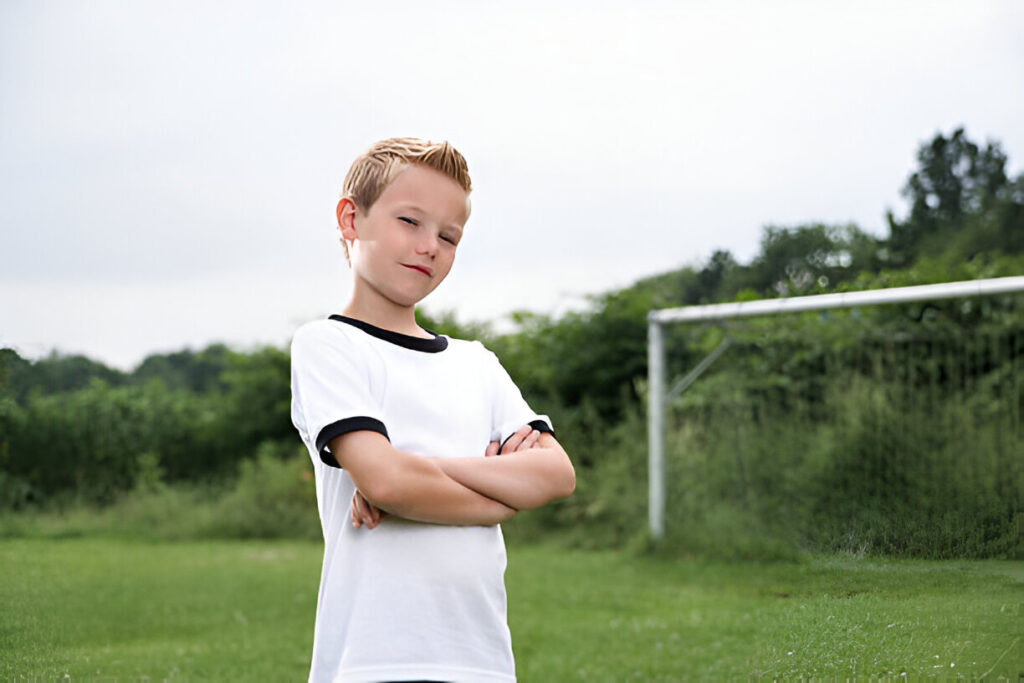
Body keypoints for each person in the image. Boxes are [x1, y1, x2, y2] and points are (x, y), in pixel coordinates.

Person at [289, 137, 576, 683]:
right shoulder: (329, 345)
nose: (429, 246)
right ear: (352, 219)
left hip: (482, 661)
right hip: (372, 660)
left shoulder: (477, 363)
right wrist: (499, 494)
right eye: (410, 222)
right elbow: (389, 483)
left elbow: (556, 475)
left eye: (449, 236)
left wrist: (423, 472)